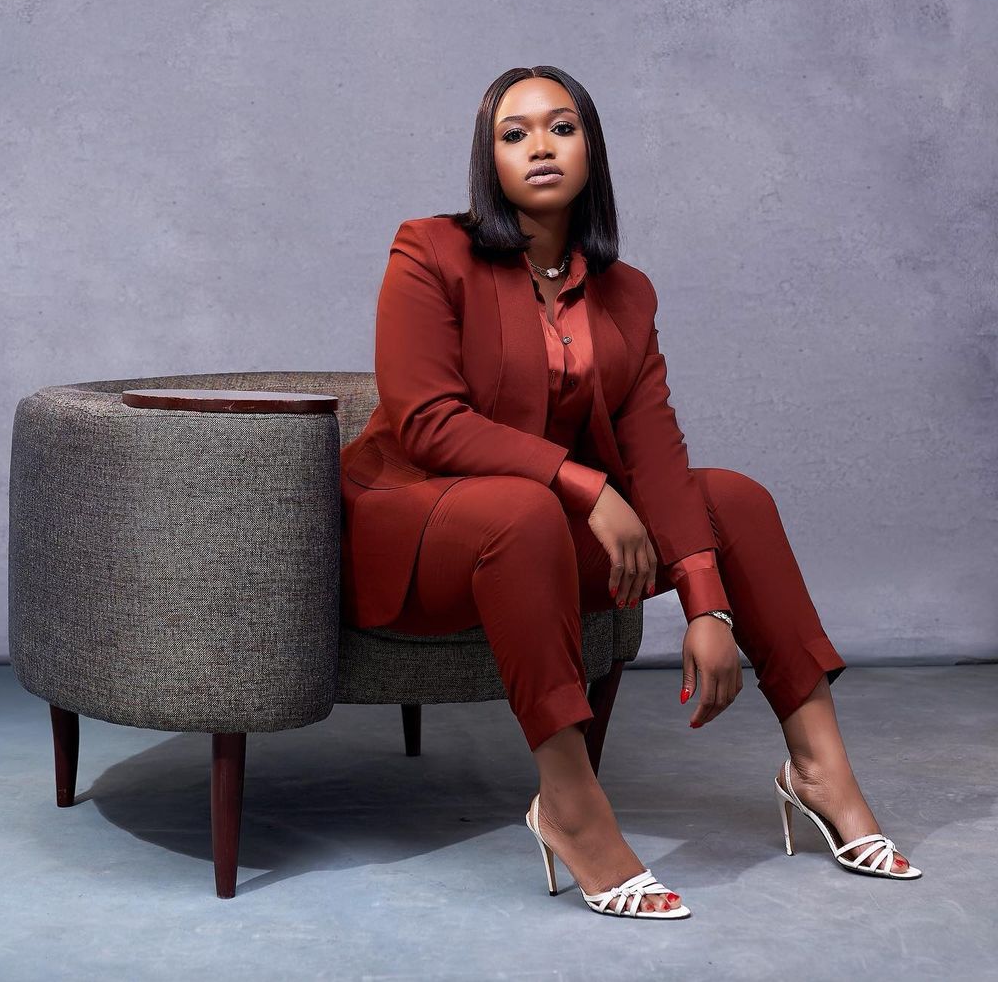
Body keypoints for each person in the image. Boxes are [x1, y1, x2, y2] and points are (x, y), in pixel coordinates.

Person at [339, 65, 922, 920]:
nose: (539, 145)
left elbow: (654, 445)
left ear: (591, 149)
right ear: (489, 159)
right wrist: (584, 485)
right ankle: (569, 808)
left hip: (538, 539)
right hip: (419, 533)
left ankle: (819, 770)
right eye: (514, 133)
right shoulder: (429, 250)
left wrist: (705, 604)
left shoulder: (626, 292)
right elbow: (428, 422)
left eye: (561, 126)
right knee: (524, 509)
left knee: (734, 497)